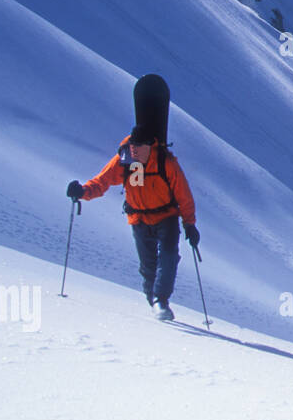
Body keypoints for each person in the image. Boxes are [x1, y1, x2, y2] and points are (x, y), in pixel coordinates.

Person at [67, 125, 199, 321]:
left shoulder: (165, 161)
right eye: (133, 146)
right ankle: (153, 300)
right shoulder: (126, 160)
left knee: (169, 256)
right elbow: (102, 181)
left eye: (139, 147)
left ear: (150, 145)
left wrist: (189, 223)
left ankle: (160, 300)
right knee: (148, 266)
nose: (135, 151)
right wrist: (83, 192)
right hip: (139, 218)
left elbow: (183, 194)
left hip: (166, 217)